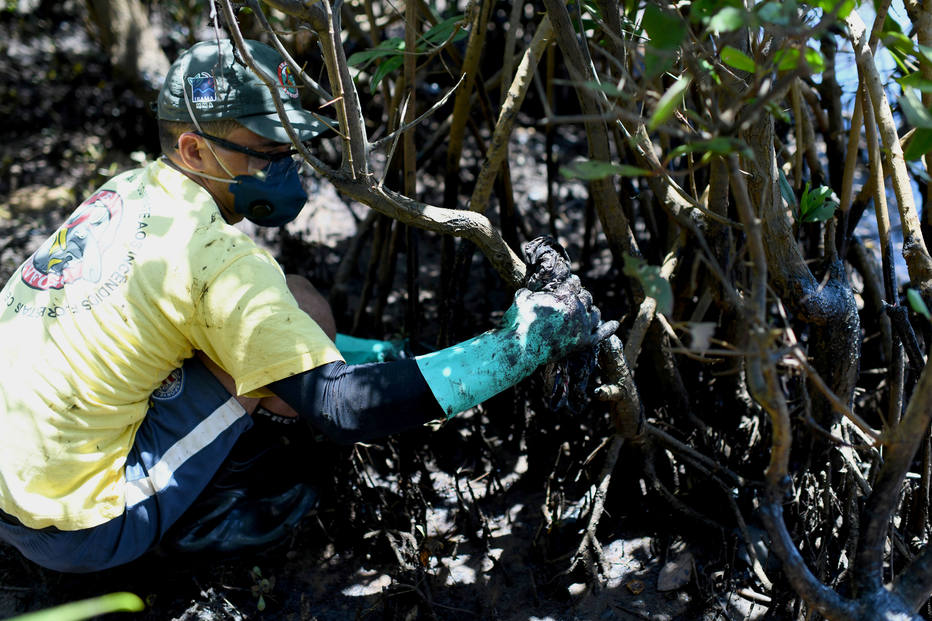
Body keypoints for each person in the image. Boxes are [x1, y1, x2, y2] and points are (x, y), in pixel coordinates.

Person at [0, 38, 613, 573]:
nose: (284, 164)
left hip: (15, 482)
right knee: (303, 318)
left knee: (288, 302)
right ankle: (216, 519)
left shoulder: (123, 192)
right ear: (192, 150)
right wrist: (518, 346)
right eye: (266, 149)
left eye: (289, 144)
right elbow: (340, 407)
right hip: (76, 522)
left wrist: (381, 355)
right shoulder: (220, 263)